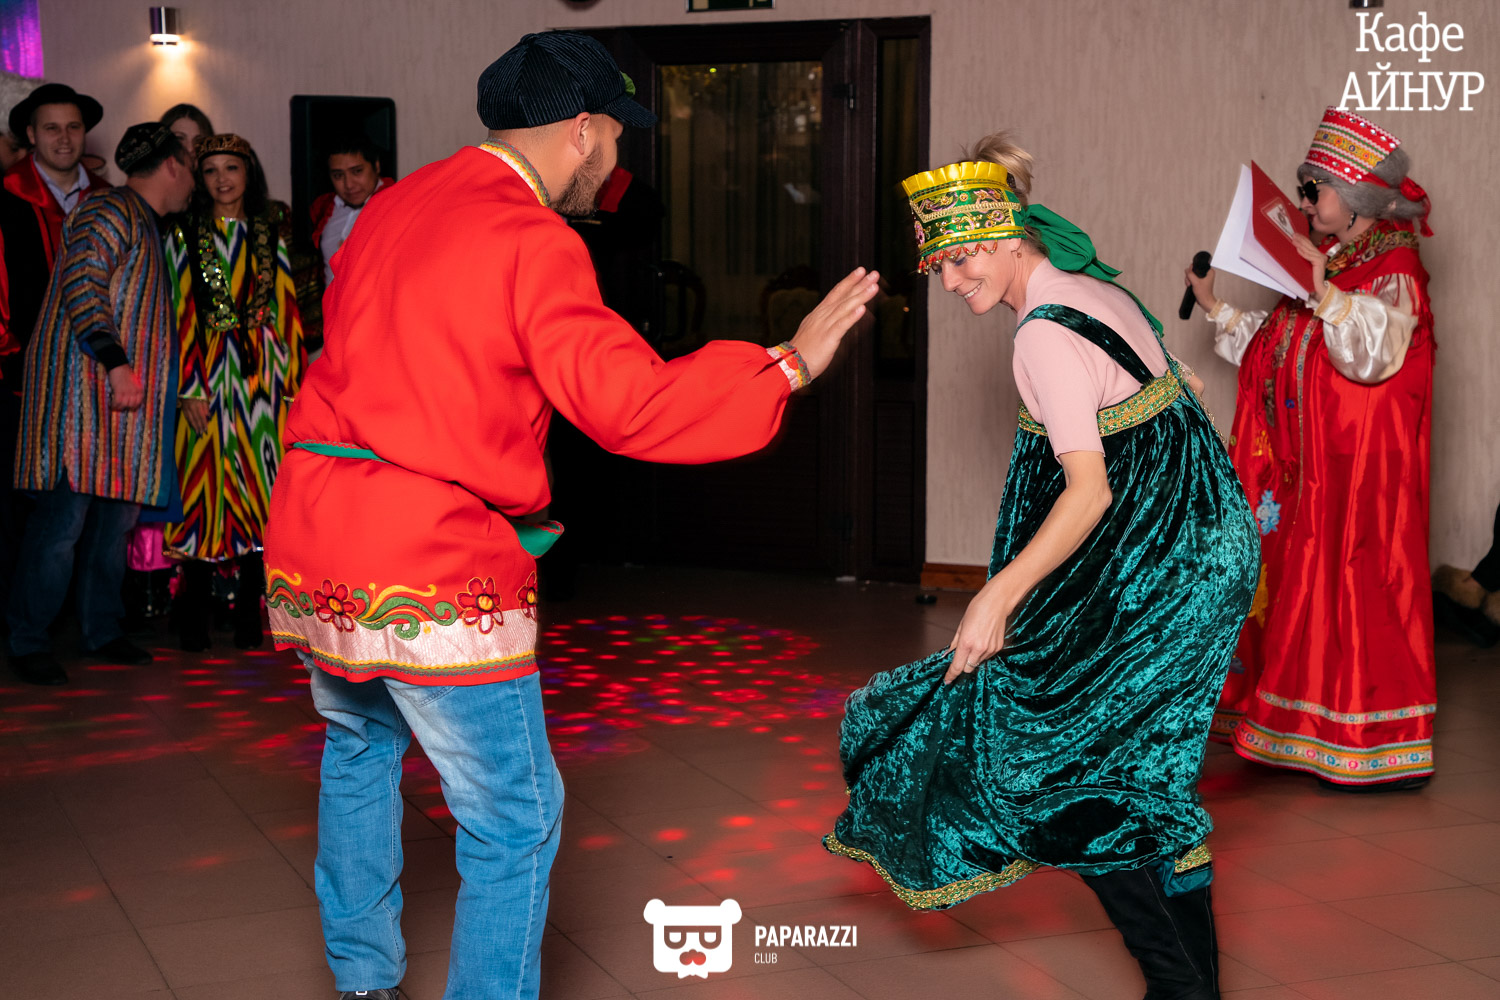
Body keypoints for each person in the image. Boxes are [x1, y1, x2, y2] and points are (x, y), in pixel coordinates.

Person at [262, 30, 877, 1000]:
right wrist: (785, 365)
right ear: (582, 130)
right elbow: (629, 404)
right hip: (425, 551)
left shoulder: (391, 206)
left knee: (360, 750)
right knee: (515, 815)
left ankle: (364, 980)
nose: (619, 159)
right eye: (618, 137)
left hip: (315, 532)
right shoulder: (531, 235)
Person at [825, 136, 1258, 1000]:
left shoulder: (1043, 335)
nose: (951, 283)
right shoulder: (1093, 287)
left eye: (958, 261)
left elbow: (1089, 492)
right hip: (1200, 554)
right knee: (1141, 779)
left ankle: (1181, 989)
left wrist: (997, 595)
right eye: (938, 267)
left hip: (1162, 574)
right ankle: (1190, 991)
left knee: (1066, 775)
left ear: (1001, 237)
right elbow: (1188, 394)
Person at [1186, 108, 1436, 792]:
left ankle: (1363, 737)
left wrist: (1323, 289)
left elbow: (1374, 355)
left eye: (1314, 190)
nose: (1304, 204)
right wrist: (1214, 305)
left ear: (1354, 198)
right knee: (1299, 584)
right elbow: (1282, 346)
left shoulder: (1392, 267)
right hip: (1311, 473)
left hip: (1358, 479)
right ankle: (1297, 727)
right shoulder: (1336, 264)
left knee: (1352, 588)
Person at [5, 123, 195, 685]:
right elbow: (83, 282)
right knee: (62, 526)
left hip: (123, 417)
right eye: (189, 166)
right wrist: (114, 360)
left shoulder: (145, 221)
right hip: (83, 405)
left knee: (113, 526)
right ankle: (28, 639)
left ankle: (102, 629)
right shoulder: (109, 209)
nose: (193, 183)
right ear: (172, 165)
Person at [163, 133, 305, 651]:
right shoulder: (185, 233)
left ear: (249, 173)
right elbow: (179, 311)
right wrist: (189, 387)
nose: (222, 179)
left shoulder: (270, 228)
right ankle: (193, 615)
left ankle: (250, 614)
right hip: (207, 376)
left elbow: (287, 308)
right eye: (211, 170)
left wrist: (292, 386)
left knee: (263, 489)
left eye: (232, 168)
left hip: (263, 378)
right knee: (204, 490)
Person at [310, 134, 393, 289]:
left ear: (376, 166)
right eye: (338, 175)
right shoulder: (324, 208)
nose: (348, 184)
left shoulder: (395, 207)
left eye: (357, 171)